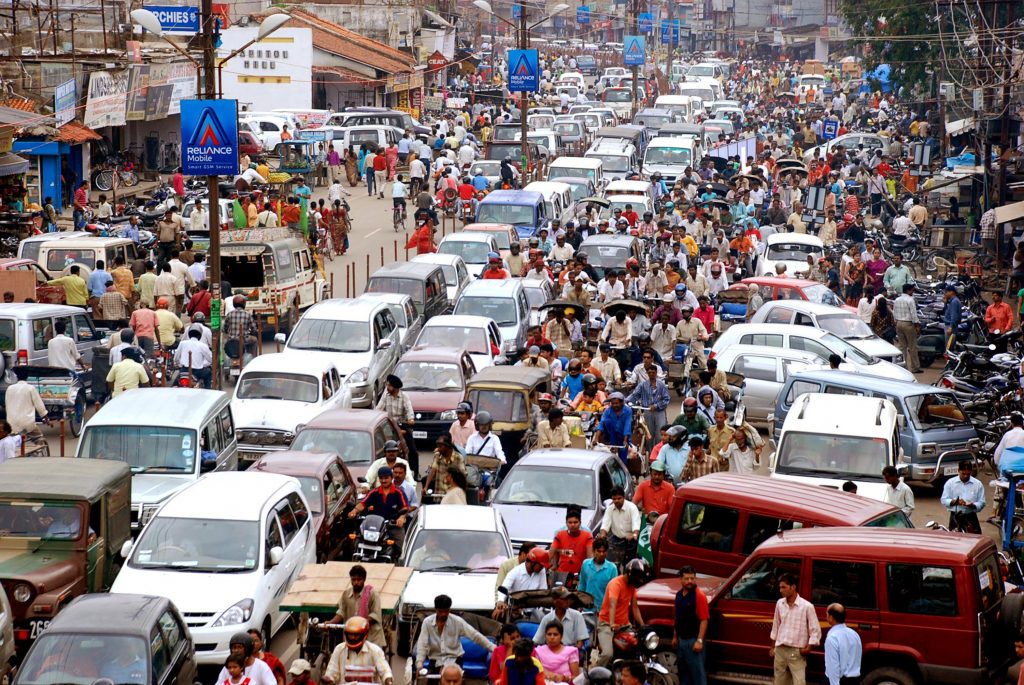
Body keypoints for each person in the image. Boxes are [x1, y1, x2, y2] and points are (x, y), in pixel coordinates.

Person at [417, 594, 496, 672]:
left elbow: (475, 636)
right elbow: (422, 644)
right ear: (435, 609)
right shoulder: (427, 622)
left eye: (446, 611)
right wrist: (419, 664)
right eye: (440, 611)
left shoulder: (457, 621)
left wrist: (495, 649)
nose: (443, 614)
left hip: (455, 661)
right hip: (435, 662)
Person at [769, 572, 820, 685]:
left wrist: (808, 647)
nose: (781, 590)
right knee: (779, 682)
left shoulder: (807, 606)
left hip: (796, 652)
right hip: (780, 649)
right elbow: (776, 625)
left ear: (793, 587)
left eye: (784, 587)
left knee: (799, 682)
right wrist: (772, 646)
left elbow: (815, 629)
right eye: (780, 587)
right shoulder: (779, 603)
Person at [594, 559, 648, 667]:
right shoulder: (616, 584)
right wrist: (612, 624)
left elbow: (635, 608)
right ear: (629, 574)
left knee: (637, 645)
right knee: (607, 654)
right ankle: (595, 675)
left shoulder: (632, 587)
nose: (639, 580)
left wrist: (643, 625)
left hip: (624, 625)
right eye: (637, 577)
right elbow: (612, 604)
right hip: (606, 624)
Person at [324, 564, 387, 648]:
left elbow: (374, 614)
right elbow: (341, 612)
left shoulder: (372, 594)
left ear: (364, 580)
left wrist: (360, 624)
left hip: (371, 639)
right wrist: (331, 623)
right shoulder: (346, 594)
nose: (356, 582)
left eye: (359, 579)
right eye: (354, 580)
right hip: (352, 638)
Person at [322, 617, 393, 685]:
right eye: (350, 634)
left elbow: (385, 671)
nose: (353, 638)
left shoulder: (375, 650)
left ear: (364, 635)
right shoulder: (339, 649)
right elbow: (331, 672)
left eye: (356, 635)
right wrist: (328, 679)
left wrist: (388, 681)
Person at [672, 565, 709, 685]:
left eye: (692, 578)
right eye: (687, 578)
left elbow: (704, 620)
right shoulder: (678, 595)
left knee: (698, 677)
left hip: (693, 641)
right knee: (684, 676)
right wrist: (675, 637)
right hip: (681, 641)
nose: (690, 581)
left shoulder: (699, 596)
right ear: (681, 579)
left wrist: (699, 641)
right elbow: (677, 617)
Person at [494, 548, 551, 617]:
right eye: (541, 565)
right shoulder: (515, 572)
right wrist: (500, 601)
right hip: (516, 612)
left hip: (535, 613)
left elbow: (543, 592)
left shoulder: (541, 572)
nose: (542, 568)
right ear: (533, 562)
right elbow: (504, 588)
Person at [376, 374, 417, 470]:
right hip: (388, 426)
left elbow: (409, 410)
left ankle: (415, 471)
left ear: (395, 387)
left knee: (412, 449)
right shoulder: (385, 395)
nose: (387, 387)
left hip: (402, 425)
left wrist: (411, 419)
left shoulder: (404, 397)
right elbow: (379, 408)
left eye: (389, 385)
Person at [940, 459, 985, 533]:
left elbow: (982, 502)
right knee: (954, 540)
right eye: (963, 473)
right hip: (955, 517)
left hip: (971, 516)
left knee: (974, 540)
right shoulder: (950, 483)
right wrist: (955, 502)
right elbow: (944, 499)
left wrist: (973, 505)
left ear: (971, 471)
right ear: (958, 470)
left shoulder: (978, 484)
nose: (966, 476)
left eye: (968, 474)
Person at [823, 604, 862, 685]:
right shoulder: (854, 634)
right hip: (854, 681)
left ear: (831, 617)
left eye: (827, 614)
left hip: (837, 681)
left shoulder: (832, 638)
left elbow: (833, 667)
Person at [598, 486, 640, 559]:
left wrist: (634, 535)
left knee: (631, 563)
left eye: (619, 498)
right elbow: (604, 526)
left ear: (624, 497)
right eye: (614, 499)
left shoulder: (632, 508)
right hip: (616, 540)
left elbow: (636, 527)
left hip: (630, 540)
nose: (616, 501)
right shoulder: (609, 509)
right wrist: (602, 536)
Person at [579, 537, 617, 616]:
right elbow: (582, 585)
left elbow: (613, 592)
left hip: (604, 611)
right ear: (593, 551)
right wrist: (579, 604)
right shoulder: (585, 564)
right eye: (599, 551)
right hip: (587, 609)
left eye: (604, 551)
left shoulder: (612, 568)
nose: (601, 554)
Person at [550, 505, 593, 575]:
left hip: (580, 571)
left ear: (580, 521)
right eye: (570, 522)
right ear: (566, 522)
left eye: (575, 522)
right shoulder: (559, 533)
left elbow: (590, 556)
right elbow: (553, 551)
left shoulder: (587, 533)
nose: (572, 525)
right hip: (563, 570)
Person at [893, 283, 921, 373]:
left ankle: (903, 367)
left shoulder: (897, 300)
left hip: (898, 323)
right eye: (912, 290)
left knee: (902, 346)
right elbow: (913, 314)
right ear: (908, 291)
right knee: (912, 346)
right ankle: (915, 367)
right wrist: (917, 325)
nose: (913, 291)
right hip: (908, 324)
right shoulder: (910, 300)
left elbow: (894, 312)